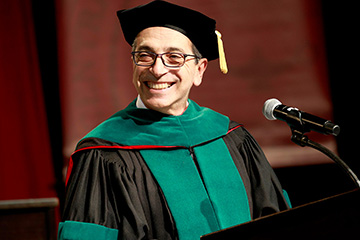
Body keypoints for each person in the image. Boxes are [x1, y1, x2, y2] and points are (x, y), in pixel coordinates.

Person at [57, 1, 290, 239]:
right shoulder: (103, 154)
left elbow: (278, 223)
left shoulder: (232, 137)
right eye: (145, 56)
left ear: (199, 70)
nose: (157, 70)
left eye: (174, 57)